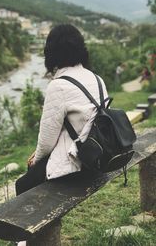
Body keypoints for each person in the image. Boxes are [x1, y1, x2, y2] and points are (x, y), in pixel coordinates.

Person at [15, 24, 108, 196]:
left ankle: (43, 223)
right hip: (100, 156)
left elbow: (47, 140)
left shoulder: (58, 85)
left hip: (80, 165)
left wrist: (35, 160)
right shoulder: (96, 78)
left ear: (52, 52)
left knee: (22, 185)